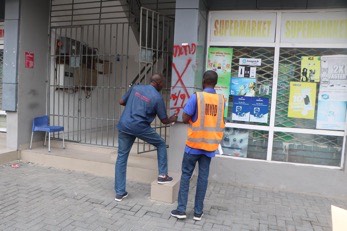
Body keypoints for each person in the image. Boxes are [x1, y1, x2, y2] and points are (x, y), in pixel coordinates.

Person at [170, 70, 225, 221]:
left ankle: (181, 210)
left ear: (203, 81)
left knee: (186, 175)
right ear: (215, 83)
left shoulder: (197, 97)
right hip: (209, 146)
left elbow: (185, 116)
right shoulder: (221, 100)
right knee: (203, 178)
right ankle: (198, 212)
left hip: (194, 145)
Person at [115, 73, 178, 202]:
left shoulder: (136, 88)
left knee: (121, 157)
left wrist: (133, 105)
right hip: (140, 127)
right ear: (159, 84)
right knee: (160, 144)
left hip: (125, 124)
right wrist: (172, 119)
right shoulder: (157, 97)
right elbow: (164, 120)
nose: (163, 86)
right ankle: (162, 175)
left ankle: (119, 193)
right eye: (163, 84)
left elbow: (121, 101)